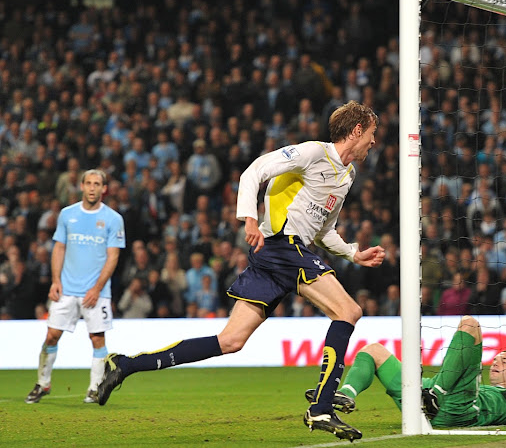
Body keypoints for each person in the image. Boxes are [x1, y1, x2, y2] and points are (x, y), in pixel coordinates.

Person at [96, 101, 385, 442]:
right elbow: (254, 171)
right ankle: (321, 407)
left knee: (230, 341)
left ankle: (126, 365)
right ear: (356, 131)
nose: (374, 141)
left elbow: (324, 230)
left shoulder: (346, 176)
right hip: (280, 245)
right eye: (371, 133)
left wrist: (353, 253)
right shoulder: (312, 153)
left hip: (282, 253)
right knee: (349, 310)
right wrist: (249, 216)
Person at [305, 316, 506, 428]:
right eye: (495, 359)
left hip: (459, 408)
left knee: (470, 324)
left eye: (504, 361)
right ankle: (346, 394)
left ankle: (434, 395)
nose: (496, 362)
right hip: (426, 392)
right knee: (373, 350)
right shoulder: (480, 385)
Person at [25, 169, 126, 404]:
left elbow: (113, 257)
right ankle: (42, 383)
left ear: (104, 189)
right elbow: (59, 248)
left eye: (97, 184)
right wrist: (56, 280)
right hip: (67, 289)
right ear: (81, 186)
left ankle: (94, 388)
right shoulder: (67, 215)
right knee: (51, 335)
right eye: (88, 183)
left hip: (97, 292)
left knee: (97, 339)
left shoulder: (113, 219)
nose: (92, 188)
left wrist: (97, 288)